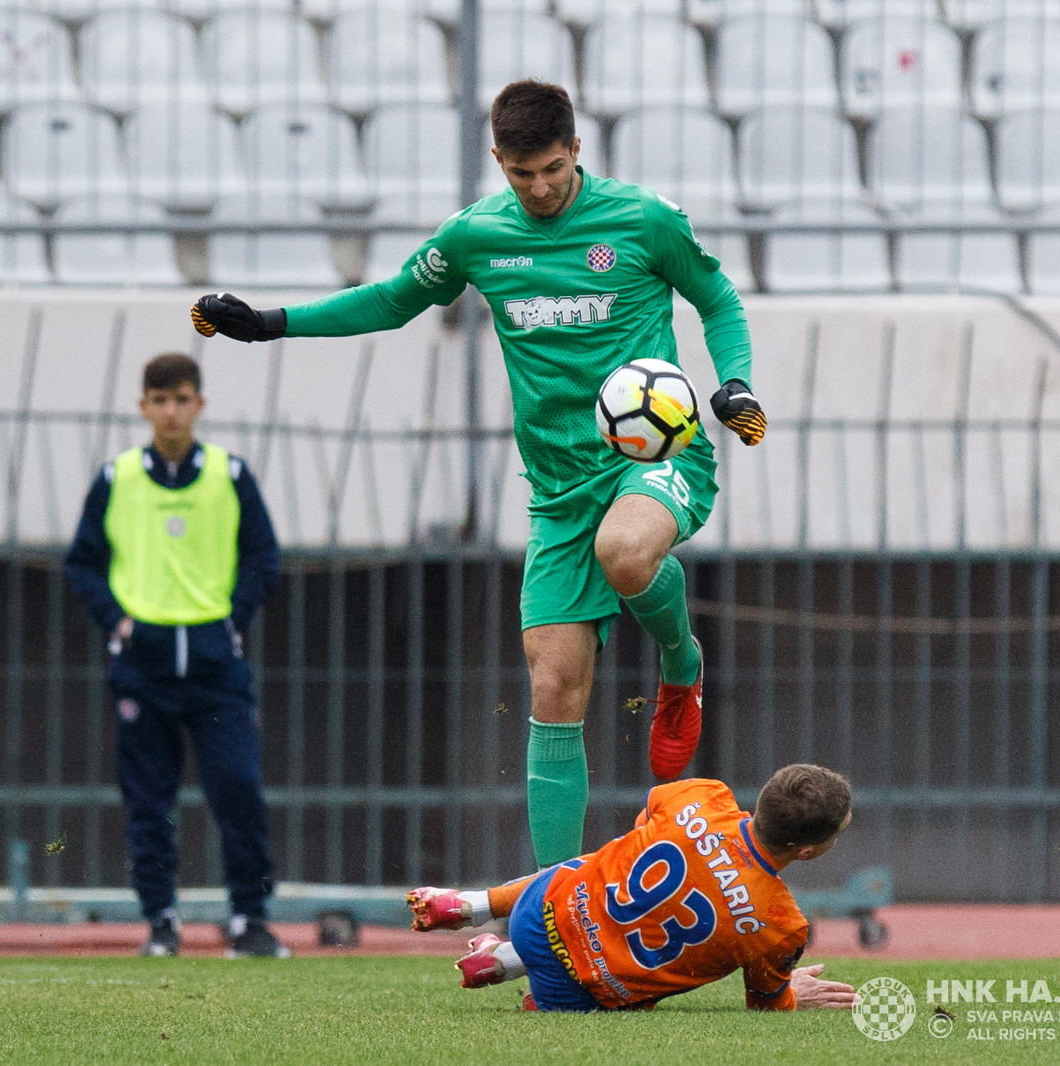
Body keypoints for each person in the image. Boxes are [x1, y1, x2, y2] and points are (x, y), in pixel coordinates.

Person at [190, 79, 767, 869]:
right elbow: (393, 300)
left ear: (577, 150)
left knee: (628, 552)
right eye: (520, 173)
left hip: (655, 456)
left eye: (553, 170)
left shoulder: (642, 220)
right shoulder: (476, 236)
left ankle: (680, 662)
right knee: (554, 692)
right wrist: (270, 324)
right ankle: (553, 913)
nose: (538, 189)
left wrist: (733, 381)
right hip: (559, 489)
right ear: (498, 159)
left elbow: (719, 299)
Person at [64, 352, 286, 958]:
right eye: (159, 400)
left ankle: (249, 920)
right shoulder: (117, 479)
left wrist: (231, 619)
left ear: (199, 405)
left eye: (181, 399)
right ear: (142, 407)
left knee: (238, 789)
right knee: (148, 801)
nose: (170, 411)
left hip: (215, 666)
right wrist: (120, 622)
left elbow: (263, 557)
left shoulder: (229, 474)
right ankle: (160, 920)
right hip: (145, 667)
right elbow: (81, 563)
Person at [406, 765, 856, 1013]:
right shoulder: (780, 925)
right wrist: (794, 990)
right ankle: (501, 964)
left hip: (534, 910)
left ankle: (473, 907)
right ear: (806, 850)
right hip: (576, 987)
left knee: (605, 861)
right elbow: (765, 1004)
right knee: (622, 995)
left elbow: (645, 820)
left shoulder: (705, 795)